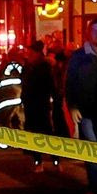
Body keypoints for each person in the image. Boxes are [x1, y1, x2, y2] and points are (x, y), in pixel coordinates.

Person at [64, 19, 97, 194]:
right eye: (94, 31)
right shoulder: (79, 57)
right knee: (92, 152)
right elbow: (70, 83)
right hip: (87, 112)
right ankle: (96, 188)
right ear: (88, 33)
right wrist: (73, 106)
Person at [21, 40, 61, 170]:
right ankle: (38, 160)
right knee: (34, 134)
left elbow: (51, 86)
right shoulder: (28, 66)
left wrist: (55, 100)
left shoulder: (44, 67)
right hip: (31, 105)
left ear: (37, 53)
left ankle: (55, 160)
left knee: (47, 132)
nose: (29, 54)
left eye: (32, 51)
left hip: (41, 105)